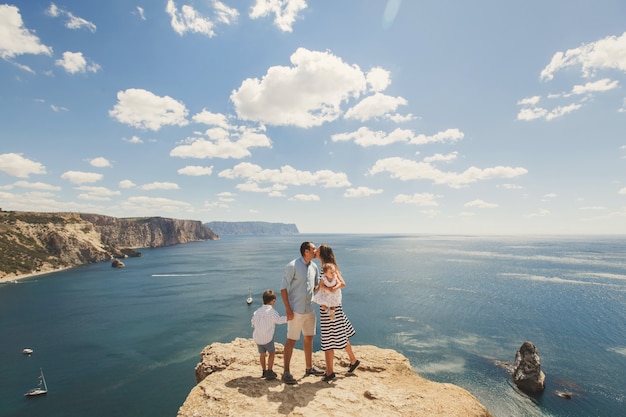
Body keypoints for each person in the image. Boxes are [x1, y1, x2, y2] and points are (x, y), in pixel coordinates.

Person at [280, 241, 325, 384]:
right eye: (313, 248)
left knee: (309, 338)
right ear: (306, 251)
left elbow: (316, 287)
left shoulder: (314, 266)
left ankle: (309, 368)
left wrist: (324, 284)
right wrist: (288, 309)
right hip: (296, 310)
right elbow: (283, 288)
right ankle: (286, 372)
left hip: (309, 309)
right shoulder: (292, 265)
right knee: (291, 340)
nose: (316, 250)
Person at [316, 244, 360, 382]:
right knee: (341, 333)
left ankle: (329, 372)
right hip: (336, 306)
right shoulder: (333, 268)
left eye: (317, 249)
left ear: (322, 253)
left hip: (328, 308)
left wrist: (323, 288)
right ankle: (353, 360)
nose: (315, 251)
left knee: (328, 338)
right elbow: (339, 284)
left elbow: (322, 288)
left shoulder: (325, 270)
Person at [251, 289, 288, 380]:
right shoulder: (272, 312)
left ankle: (264, 371)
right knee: (272, 353)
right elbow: (279, 320)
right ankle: (270, 371)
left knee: (262, 354)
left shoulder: (257, 312)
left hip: (258, 338)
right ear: (273, 301)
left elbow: (253, 322)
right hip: (267, 338)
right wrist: (289, 318)